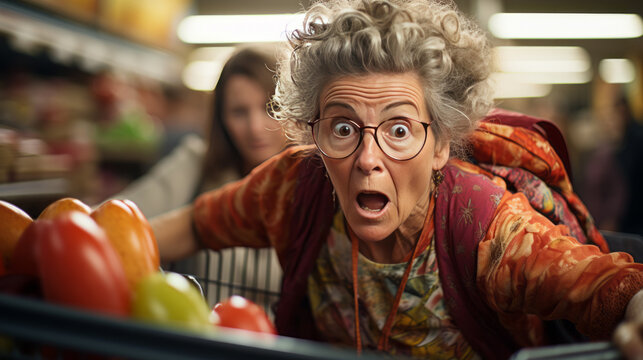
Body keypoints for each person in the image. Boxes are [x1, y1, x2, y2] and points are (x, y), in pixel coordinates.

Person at [151, 1, 643, 359]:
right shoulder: (294, 186)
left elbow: (602, 282)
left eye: (400, 129)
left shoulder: (486, 226)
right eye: (343, 128)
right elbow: (198, 224)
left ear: (441, 145)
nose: (368, 158)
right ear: (313, 134)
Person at [110, 45, 288, 311]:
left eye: (269, 108)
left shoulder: (312, 182)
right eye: (239, 112)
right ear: (221, 119)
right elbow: (117, 219)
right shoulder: (197, 163)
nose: (254, 127)